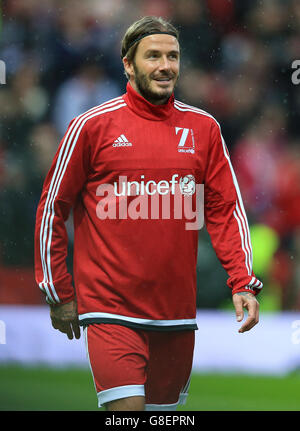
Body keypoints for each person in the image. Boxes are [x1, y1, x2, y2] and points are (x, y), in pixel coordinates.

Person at [34, 16, 262, 411]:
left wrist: (242, 281)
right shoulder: (91, 127)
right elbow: (53, 209)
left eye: (172, 56)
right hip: (111, 309)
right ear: (128, 64)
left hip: (176, 314)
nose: (165, 65)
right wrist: (58, 291)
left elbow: (226, 210)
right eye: (153, 55)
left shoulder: (204, 128)